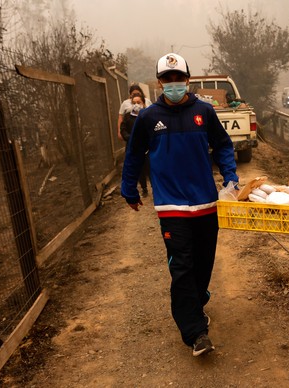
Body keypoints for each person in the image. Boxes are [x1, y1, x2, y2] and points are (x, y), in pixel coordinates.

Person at [121, 52, 239, 357]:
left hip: (206, 204)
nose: (173, 83)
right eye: (167, 79)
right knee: (182, 266)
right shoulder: (148, 118)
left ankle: (196, 301)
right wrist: (129, 189)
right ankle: (196, 333)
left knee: (203, 263)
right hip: (171, 207)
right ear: (160, 82)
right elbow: (134, 155)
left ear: (187, 80)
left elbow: (223, 145)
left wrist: (231, 176)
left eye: (178, 78)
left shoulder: (204, 111)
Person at [120, 94, 150, 196]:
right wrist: (130, 138)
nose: (136, 105)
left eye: (139, 102)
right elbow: (123, 130)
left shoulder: (148, 115)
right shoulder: (128, 117)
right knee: (140, 168)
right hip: (134, 147)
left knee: (150, 168)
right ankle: (144, 188)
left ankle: (155, 188)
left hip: (148, 147)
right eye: (134, 103)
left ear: (143, 103)